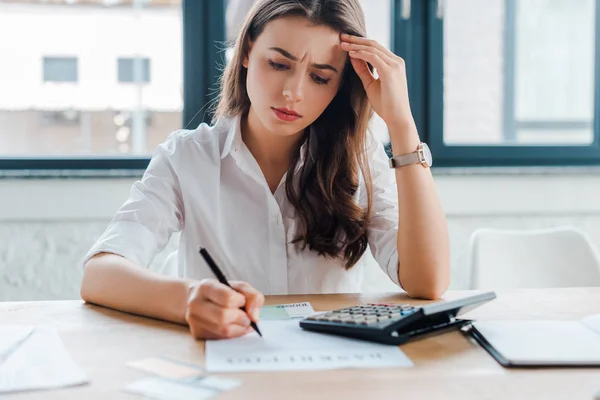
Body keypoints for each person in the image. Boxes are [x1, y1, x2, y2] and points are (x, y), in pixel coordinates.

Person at [80, 0, 450, 340]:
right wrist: (187, 299)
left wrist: (402, 125)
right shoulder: (188, 156)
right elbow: (100, 275)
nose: (293, 92)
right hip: (226, 362)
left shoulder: (359, 159)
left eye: (320, 77)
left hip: (329, 374)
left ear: (339, 85)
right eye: (279, 64)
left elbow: (426, 282)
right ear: (246, 52)